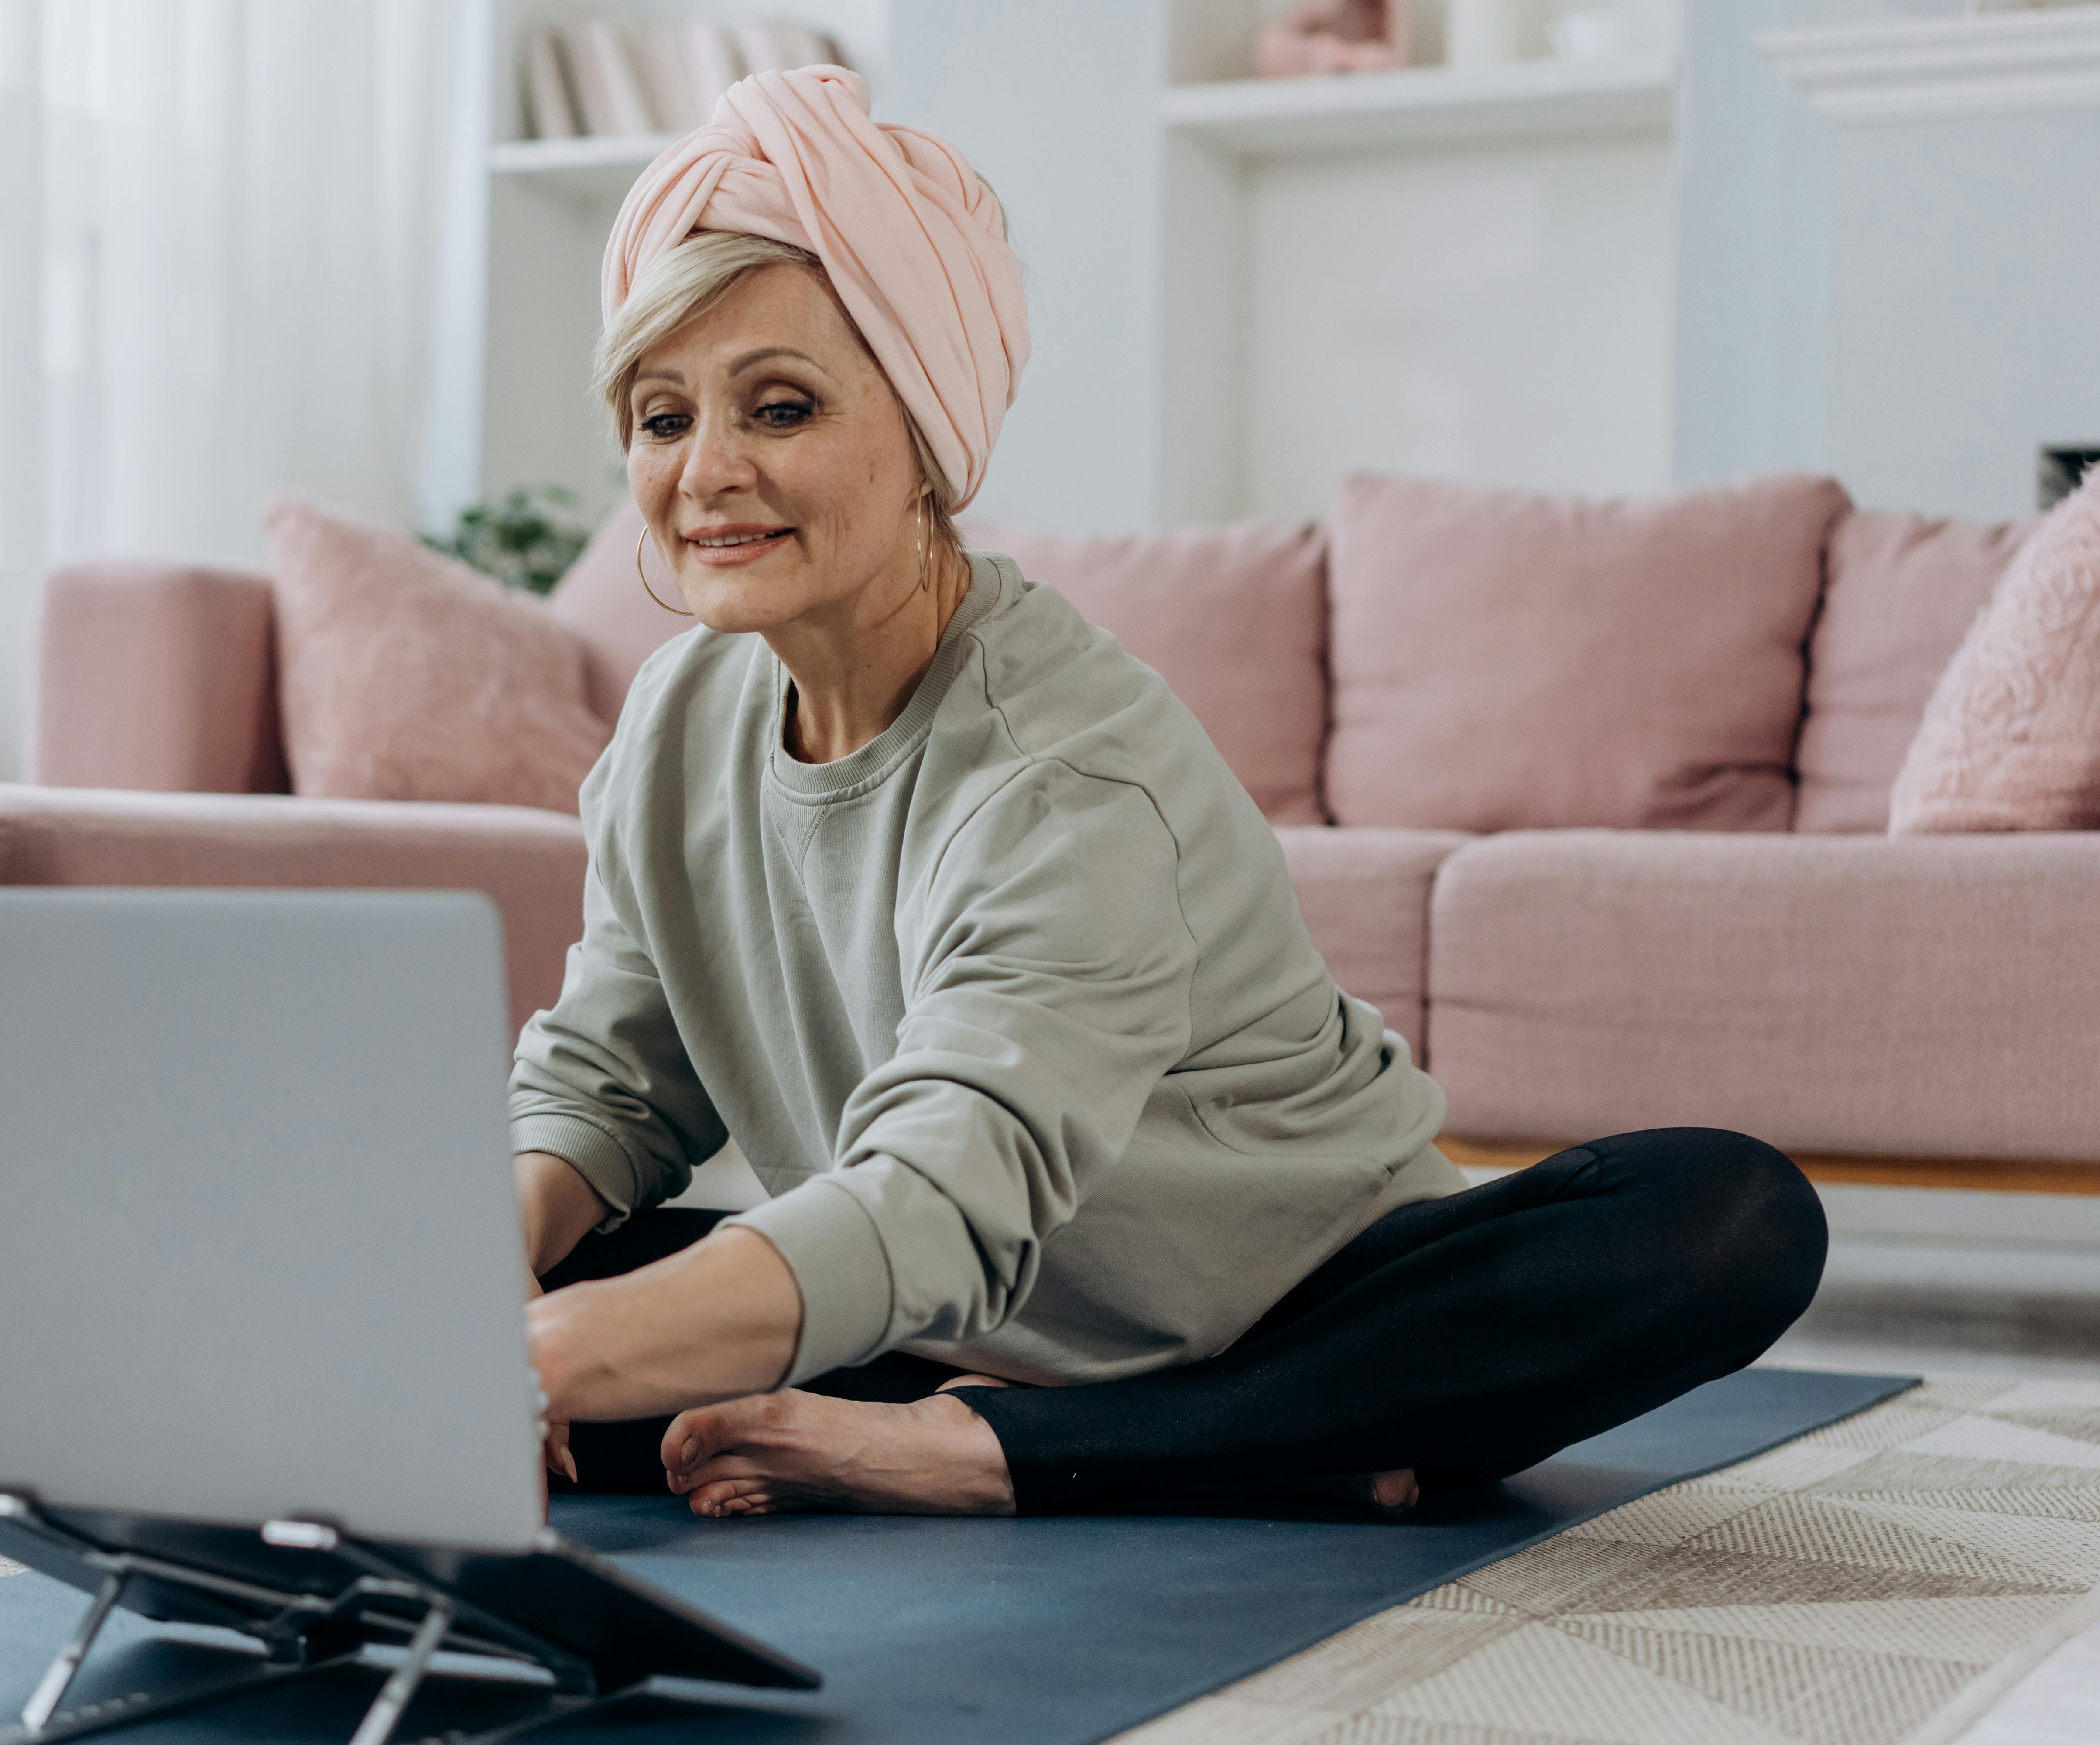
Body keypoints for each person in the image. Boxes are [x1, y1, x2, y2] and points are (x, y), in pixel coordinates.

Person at [513, 65, 1827, 1520]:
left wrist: (537, 1363)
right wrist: (492, 1282)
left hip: (1298, 1310)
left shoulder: (1065, 772)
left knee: (1725, 1216)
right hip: (947, 1311)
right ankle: (1204, 1449)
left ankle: (999, 1449)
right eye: (660, 417)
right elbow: (613, 1080)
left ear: (929, 439)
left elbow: (952, 1192)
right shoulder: (674, 719)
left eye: (780, 407)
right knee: (497, 1260)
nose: (708, 474)